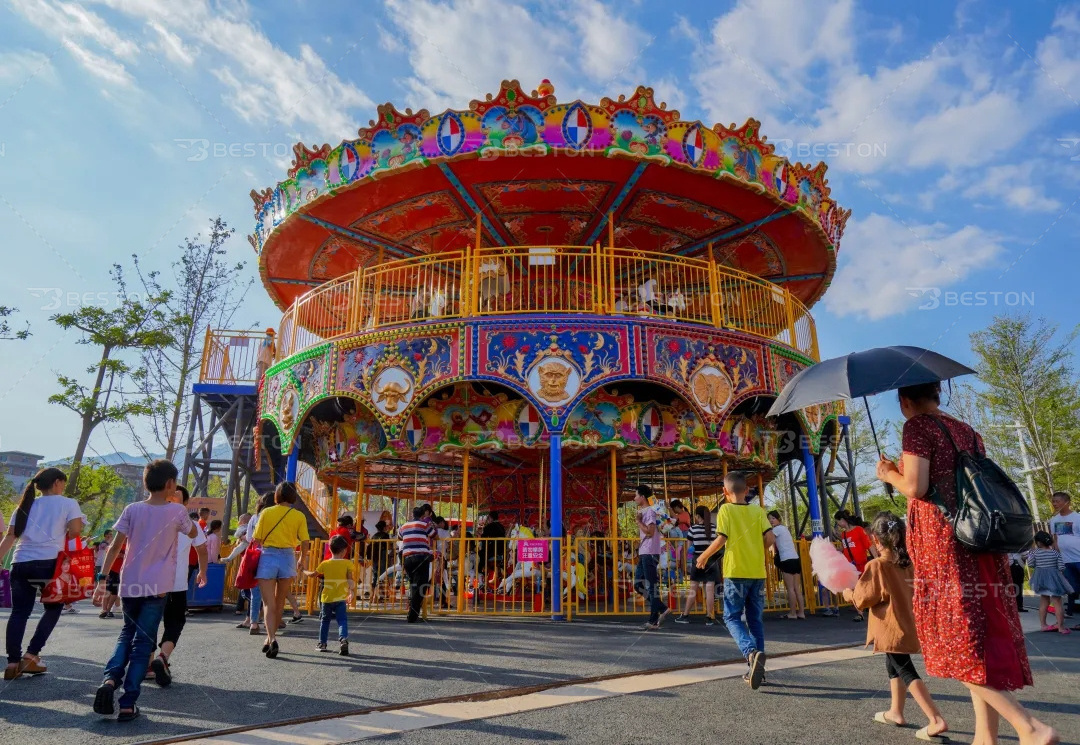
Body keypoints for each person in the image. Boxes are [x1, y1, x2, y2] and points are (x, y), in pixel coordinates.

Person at [877, 381, 1059, 745]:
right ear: (938, 392)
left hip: (944, 544)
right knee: (978, 639)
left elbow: (916, 486)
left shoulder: (918, 426)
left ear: (905, 400)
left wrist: (888, 474)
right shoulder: (968, 431)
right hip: (977, 538)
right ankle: (984, 737)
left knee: (956, 641)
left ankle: (1029, 727)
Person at [92, 460, 201, 721]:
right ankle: (128, 702)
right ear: (170, 484)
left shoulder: (132, 509)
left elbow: (115, 547)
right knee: (143, 643)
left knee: (126, 634)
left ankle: (109, 681)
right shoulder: (176, 512)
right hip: (158, 586)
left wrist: (103, 579)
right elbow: (195, 532)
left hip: (131, 582)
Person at [843, 512, 949, 742]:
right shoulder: (909, 563)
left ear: (876, 540)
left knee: (905, 668)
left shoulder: (877, 565)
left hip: (890, 626)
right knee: (893, 665)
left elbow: (863, 599)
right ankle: (896, 711)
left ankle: (935, 719)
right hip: (909, 622)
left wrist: (847, 593)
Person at [1, 468, 84, 680]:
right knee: (54, 607)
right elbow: (75, 531)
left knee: (19, 612)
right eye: (63, 483)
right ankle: (31, 655)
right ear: (57, 482)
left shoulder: (25, 505)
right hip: (49, 564)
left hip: (20, 562)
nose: (63, 487)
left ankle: (12, 663)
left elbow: (10, 537)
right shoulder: (67, 503)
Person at [696, 472, 775, 690]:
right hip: (757, 572)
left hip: (736, 571)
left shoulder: (725, 509)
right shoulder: (758, 510)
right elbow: (770, 538)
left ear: (724, 492)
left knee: (730, 616)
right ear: (747, 490)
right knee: (755, 620)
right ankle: (759, 670)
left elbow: (722, 538)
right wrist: (757, 550)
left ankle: (751, 653)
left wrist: (703, 556)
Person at [147, 484, 208, 687]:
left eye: (175, 498)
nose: (172, 500)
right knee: (174, 622)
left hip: (151, 583)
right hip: (176, 585)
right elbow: (202, 549)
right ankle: (162, 657)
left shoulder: (153, 519)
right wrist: (202, 571)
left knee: (150, 622)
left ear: (184, 503)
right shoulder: (191, 525)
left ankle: (149, 664)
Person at [252, 483, 310, 658]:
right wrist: (302, 558)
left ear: (277, 495)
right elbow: (305, 541)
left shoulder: (266, 512)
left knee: (268, 603)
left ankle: (272, 638)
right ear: (293, 497)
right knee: (279, 602)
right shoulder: (299, 515)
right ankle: (268, 640)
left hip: (268, 556)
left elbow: (257, 539)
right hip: (288, 557)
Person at [306, 535, 354, 655]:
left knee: (325, 621)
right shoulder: (347, 564)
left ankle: (322, 643)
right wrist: (351, 592)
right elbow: (350, 580)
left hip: (326, 598)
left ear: (330, 550)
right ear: (344, 551)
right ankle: (343, 639)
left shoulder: (325, 564)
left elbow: (313, 574)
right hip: (341, 597)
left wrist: (303, 570)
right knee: (342, 620)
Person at [632, 485, 670, 630]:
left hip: (649, 551)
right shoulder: (644, 511)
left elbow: (650, 532)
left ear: (642, 497)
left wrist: (639, 522)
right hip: (644, 551)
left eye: (636, 495)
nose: (634, 498)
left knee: (651, 585)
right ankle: (661, 607)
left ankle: (653, 620)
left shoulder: (650, 512)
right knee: (638, 584)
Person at [675, 505, 719, 625]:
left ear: (697, 516)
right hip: (711, 560)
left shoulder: (693, 529)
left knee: (693, 589)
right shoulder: (714, 528)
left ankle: (685, 615)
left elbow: (689, 548)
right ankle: (710, 617)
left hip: (698, 560)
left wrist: (689, 560)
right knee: (709, 590)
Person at [1027, 531, 1073, 634]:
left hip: (1040, 579)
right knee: (1057, 603)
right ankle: (1061, 627)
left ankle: (1043, 625)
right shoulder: (1055, 553)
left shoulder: (1035, 552)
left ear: (1038, 543)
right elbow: (1061, 567)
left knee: (1044, 602)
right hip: (1054, 579)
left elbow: (1030, 564)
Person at [397, 506, 437, 623]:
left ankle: (412, 613)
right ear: (422, 516)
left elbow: (400, 537)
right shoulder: (424, 525)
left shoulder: (404, 526)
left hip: (408, 558)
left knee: (414, 585)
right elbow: (434, 535)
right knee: (421, 586)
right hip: (421, 557)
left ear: (412, 515)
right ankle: (412, 615)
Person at [835, 509, 875, 622]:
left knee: (865, 588)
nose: (838, 524)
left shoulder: (859, 530)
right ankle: (860, 612)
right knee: (853, 588)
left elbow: (869, 545)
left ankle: (870, 608)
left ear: (843, 520)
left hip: (861, 564)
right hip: (850, 566)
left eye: (838, 521)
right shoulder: (843, 534)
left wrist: (877, 559)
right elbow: (845, 548)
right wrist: (837, 550)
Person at [1048, 491, 1080, 626]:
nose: (1055, 504)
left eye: (1057, 501)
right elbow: (1054, 540)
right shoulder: (1053, 520)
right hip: (1065, 561)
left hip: (1078, 558)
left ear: (1067, 502)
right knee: (1073, 589)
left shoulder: (1077, 518)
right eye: (1053, 501)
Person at [767, 510, 806, 620]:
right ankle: (801, 613)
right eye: (769, 519)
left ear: (778, 518)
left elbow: (768, 539)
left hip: (786, 560)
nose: (771, 520)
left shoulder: (777, 529)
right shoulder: (784, 529)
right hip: (795, 558)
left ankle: (792, 613)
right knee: (796, 589)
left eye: (773, 518)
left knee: (790, 589)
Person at [223, 513, 252, 616]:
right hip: (247, 556)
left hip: (248, 557)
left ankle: (243, 608)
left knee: (245, 585)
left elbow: (241, 536)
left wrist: (242, 536)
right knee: (245, 585)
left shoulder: (247, 527)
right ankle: (242, 608)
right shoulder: (248, 527)